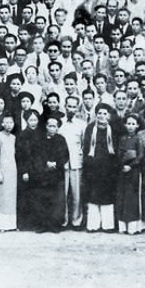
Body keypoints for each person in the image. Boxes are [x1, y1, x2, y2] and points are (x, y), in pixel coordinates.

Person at [82, 104, 120, 232]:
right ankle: (93, 225)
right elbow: (86, 147)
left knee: (107, 195)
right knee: (93, 195)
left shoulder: (113, 129)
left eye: (105, 113)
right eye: (99, 113)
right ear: (96, 115)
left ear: (108, 115)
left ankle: (108, 225)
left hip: (109, 167)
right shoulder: (90, 128)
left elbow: (117, 147)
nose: (102, 116)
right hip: (93, 167)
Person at [28, 116, 69, 233]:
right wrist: (46, 163)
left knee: (57, 200)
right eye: (50, 126)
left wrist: (55, 163)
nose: (52, 128)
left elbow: (65, 155)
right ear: (46, 127)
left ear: (57, 128)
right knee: (42, 200)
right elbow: (36, 155)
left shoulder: (61, 140)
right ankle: (42, 225)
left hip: (57, 174)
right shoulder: (39, 140)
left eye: (54, 126)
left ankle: (54, 225)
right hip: (43, 174)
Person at [59, 96, 85, 229]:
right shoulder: (59, 123)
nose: (71, 109)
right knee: (62, 193)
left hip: (76, 162)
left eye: (74, 107)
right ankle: (63, 221)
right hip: (62, 164)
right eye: (69, 106)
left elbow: (84, 144)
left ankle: (76, 221)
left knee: (77, 194)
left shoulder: (81, 124)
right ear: (65, 106)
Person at [115, 114, 141, 234]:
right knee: (122, 196)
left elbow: (140, 156)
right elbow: (119, 153)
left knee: (131, 197)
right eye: (128, 124)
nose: (130, 126)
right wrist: (122, 165)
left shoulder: (138, 139)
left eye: (133, 124)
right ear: (125, 125)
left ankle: (132, 226)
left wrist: (131, 166)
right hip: (122, 171)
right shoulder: (122, 139)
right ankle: (122, 226)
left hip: (133, 171)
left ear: (137, 125)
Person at [0, 114, 17, 232]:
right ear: (2, 124)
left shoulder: (13, 137)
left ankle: (11, 225)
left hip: (13, 170)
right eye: (6, 122)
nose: (8, 125)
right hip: (2, 169)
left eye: (11, 122)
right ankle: (1, 225)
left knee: (11, 197)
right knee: (2, 197)